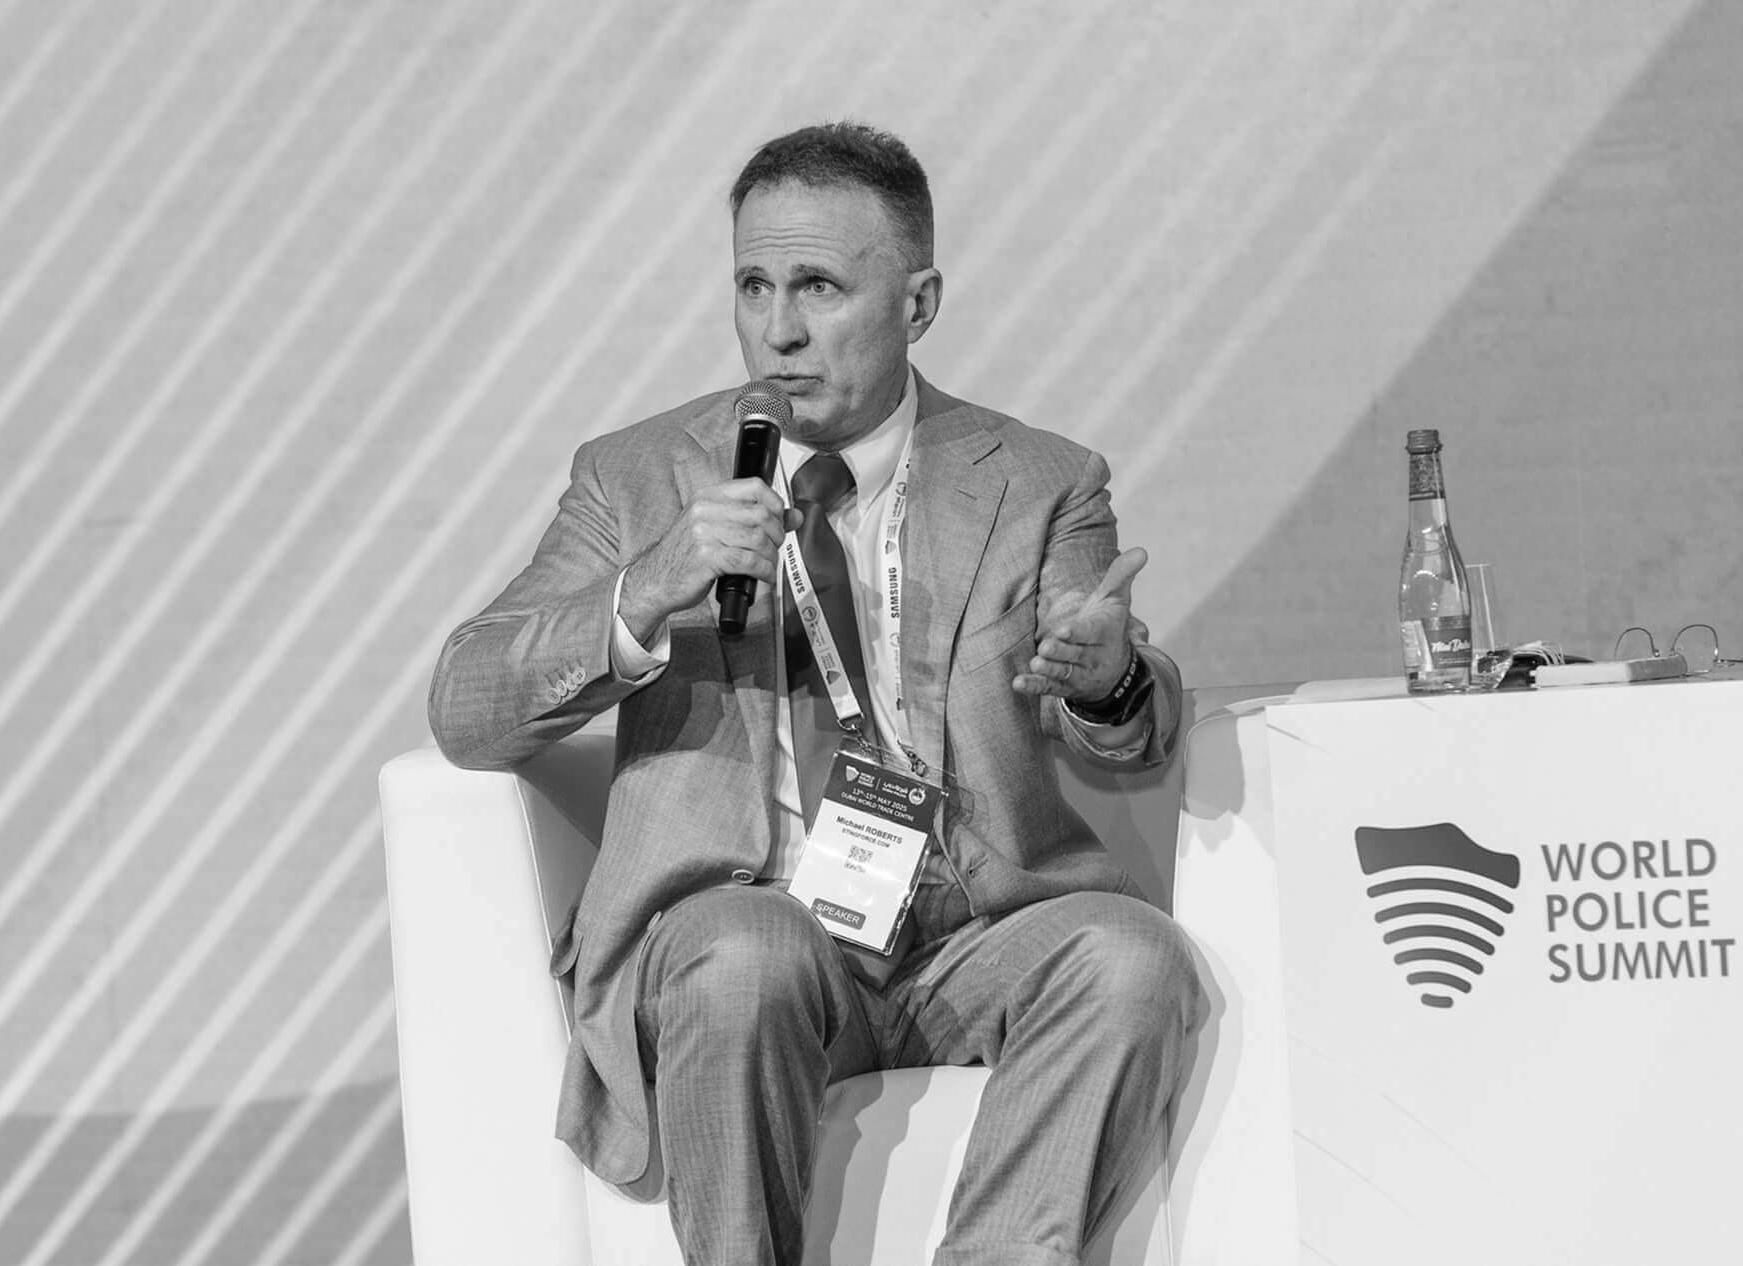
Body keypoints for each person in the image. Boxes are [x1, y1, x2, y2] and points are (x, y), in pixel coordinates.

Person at [428, 120, 1201, 1266]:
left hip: (965, 933)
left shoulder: (1040, 480)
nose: (778, 331)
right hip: (744, 929)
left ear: (918, 302)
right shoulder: (639, 475)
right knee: (748, 952)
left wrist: (1109, 680)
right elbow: (467, 706)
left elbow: (1129, 726)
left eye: (820, 287)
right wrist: (649, 590)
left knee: (1132, 960)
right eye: (752, 284)